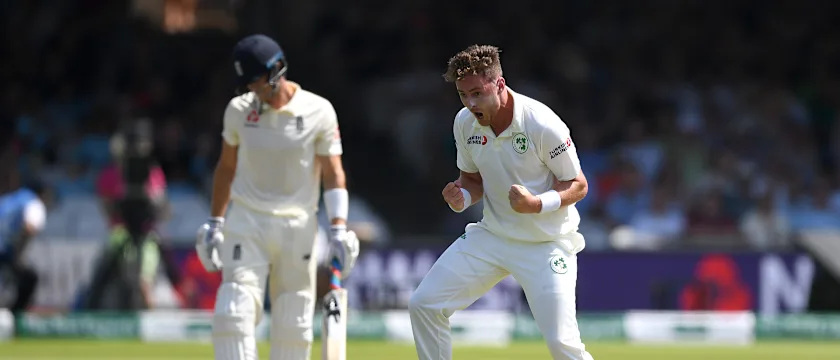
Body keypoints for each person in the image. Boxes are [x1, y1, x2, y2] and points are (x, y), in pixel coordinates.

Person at [408, 45, 595, 360]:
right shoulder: (464, 123)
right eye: (463, 95)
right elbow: (472, 180)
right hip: (492, 236)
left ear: (500, 85)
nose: (470, 103)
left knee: (562, 343)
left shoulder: (542, 124)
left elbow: (578, 185)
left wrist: (536, 204)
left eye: (478, 94)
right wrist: (461, 197)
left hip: (546, 243)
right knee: (424, 304)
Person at [195, 34, 360, 360]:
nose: (252, 91)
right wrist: (215, 224)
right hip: (247, 221)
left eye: (256, 82)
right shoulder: (239, 111)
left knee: (294, 322)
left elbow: (333, 172)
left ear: (276, 70)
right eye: (247, 84)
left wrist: (339, 228)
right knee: (233, 313)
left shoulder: (318, 110)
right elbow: (226, 168)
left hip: (298, 225)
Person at [0, 181, 51, 313]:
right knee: (29, 279)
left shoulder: (8, 200)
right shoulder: (35, 203)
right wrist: (18, 255)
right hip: (5, 251)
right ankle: (15, 318)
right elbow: (30, 227)